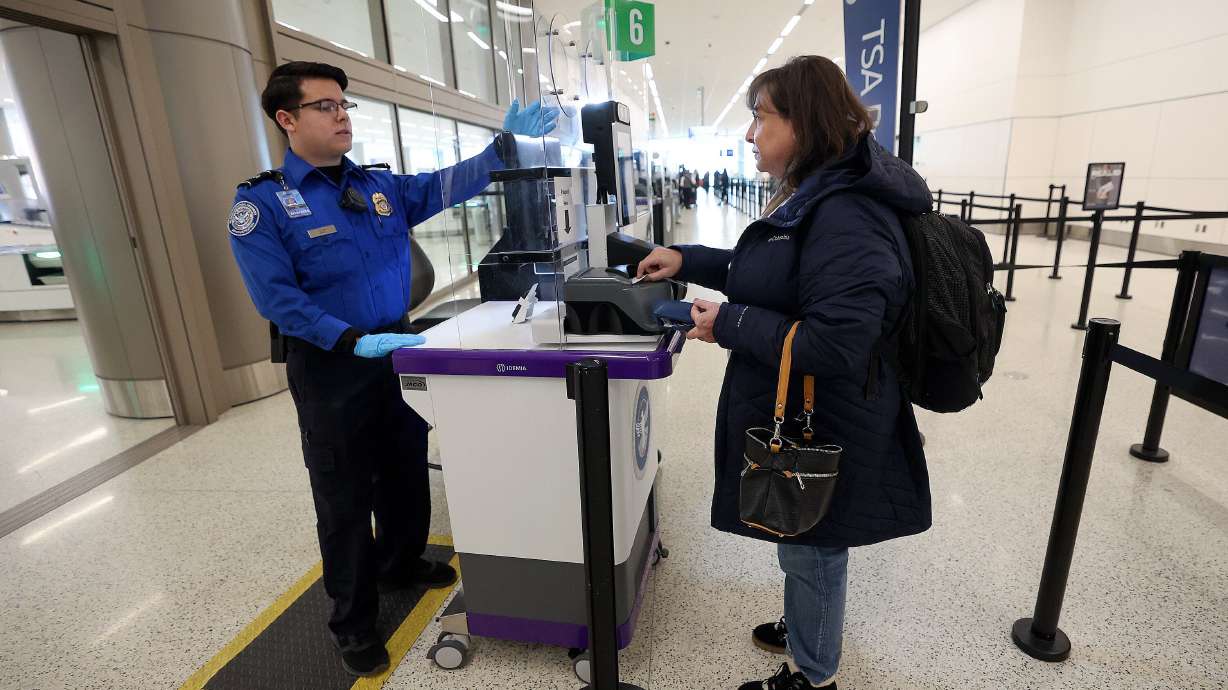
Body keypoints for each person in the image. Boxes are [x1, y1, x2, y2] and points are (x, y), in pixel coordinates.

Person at [227, 61, 558, 677]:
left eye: (344, 104)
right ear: (287, 119)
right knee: (345, 494)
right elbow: (277, 299)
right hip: (332, 365)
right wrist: (350, 340)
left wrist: (503, 147)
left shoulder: (377, 186)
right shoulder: (263, 204)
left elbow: (443, 185)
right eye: (325, 106)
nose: (341, 114)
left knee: (405, 464)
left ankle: (403, 561)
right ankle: (352, 622)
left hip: (397, 348)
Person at [637, 55, 932, 690]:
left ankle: (814, 671)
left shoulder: (846, 212)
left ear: (804, 122)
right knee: (802, 533)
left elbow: (837, 343)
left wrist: (728, 323)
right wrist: (686, 258)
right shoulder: (818, 193)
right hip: (808, 404)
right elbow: (775, 271)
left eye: (760, 118)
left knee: (815, 542)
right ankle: (807, 623)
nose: (750, 134)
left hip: (830, 415)